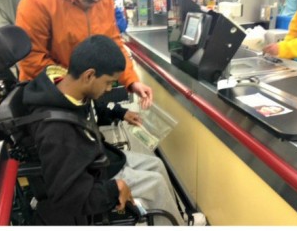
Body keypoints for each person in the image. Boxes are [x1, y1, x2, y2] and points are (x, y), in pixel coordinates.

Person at [23, 35, 183, 225]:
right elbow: (68, 198)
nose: (109, 89)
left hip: (98, 158)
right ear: (89, 75)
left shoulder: (65, 85)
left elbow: (90, 107)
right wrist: (114, 190)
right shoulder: (58, 132)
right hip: (91, 176)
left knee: (157, 164)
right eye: (108, 82)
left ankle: (177, 219)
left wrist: (120, 112)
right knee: (155, 184)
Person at [15, 0, 153, 109]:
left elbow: (112, 44)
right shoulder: (37, 0)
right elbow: (31, 58)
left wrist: (132, 81)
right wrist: (73, 87)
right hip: (46, 97)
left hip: (82, 93)